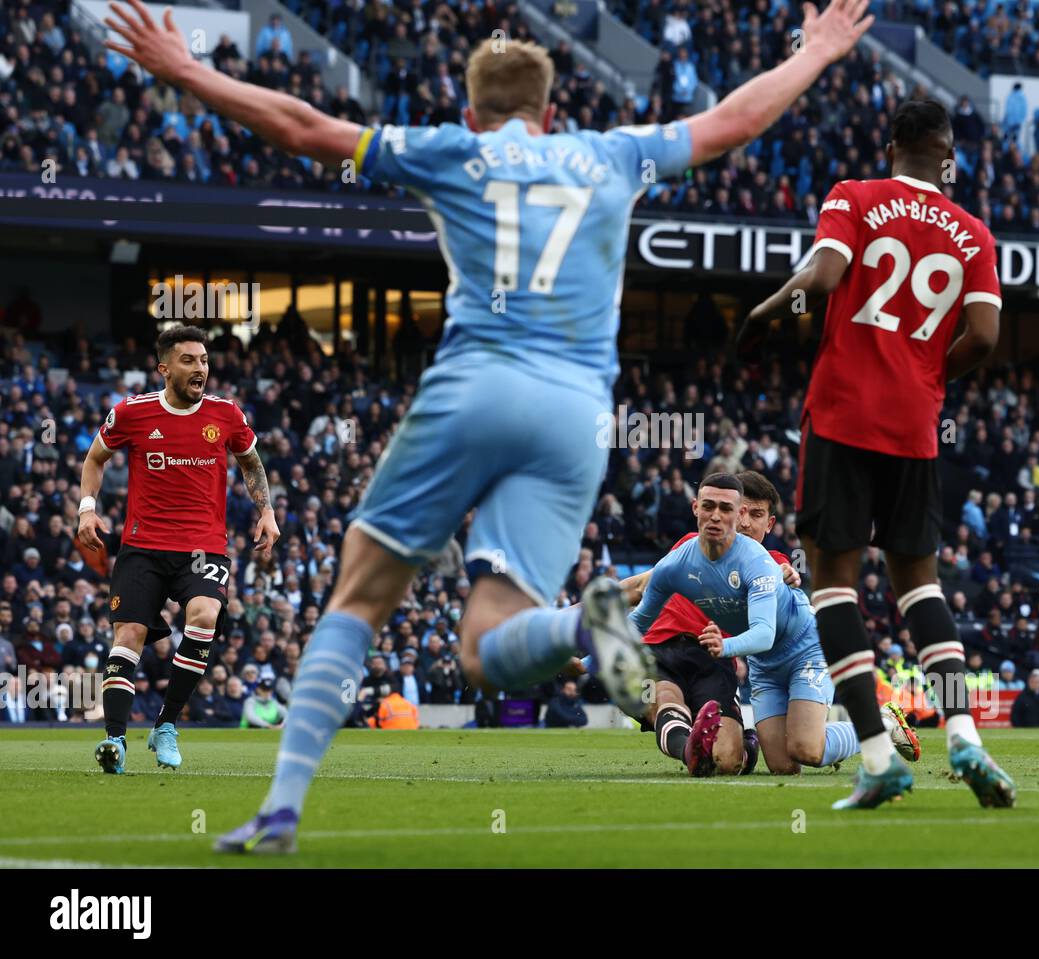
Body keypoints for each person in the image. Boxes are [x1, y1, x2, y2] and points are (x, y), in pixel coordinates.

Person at [87, 0, 876, 852]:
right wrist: (820, 51)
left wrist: (187, 71)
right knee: (490, 638)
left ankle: (282, 808)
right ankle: (583, 624)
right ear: (553, 114)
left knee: (358, 595)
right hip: (576, 417)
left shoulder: (451, 149)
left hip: (473, 390)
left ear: (472, 113)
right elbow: (735, 120)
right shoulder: (613, 152)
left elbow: (304, 125)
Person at [737, 98, 1014, 810]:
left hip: (842, 415)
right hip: (916, 425)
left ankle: (878, 754)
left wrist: (765, 313)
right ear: (947, 154)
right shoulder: (974, 233)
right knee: (922, 587)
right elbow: (983, 336)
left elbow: (824, 279)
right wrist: (925, 376)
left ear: (892, 143)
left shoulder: (853, 197)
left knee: (834, 582)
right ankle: (965, 739)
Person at [78, 325, 275, 773]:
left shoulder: (226, 415)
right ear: (164, 368)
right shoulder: (132, 412)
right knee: (129, 635)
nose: (200, 368)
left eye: (204, 360)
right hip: (142, 546)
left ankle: (165, 725)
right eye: (189, 360)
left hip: (202, 546)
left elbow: (251, 462)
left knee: (204, 614)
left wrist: (266, 511)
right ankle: (115, 742)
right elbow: (94, 459)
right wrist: (87, 510)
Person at [628, 474, 863, 778]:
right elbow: (639, 587)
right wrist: (577, 637)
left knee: (806, 750)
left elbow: (778, 580)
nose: (746, 523)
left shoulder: (769, 562)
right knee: (783, 765)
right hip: (763, 663)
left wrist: (786, 576)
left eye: (757, 515)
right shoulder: (691, 550)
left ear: (770, 523)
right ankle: (745, 745)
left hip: (804, 649)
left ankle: (875, 726)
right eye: (742, 513)